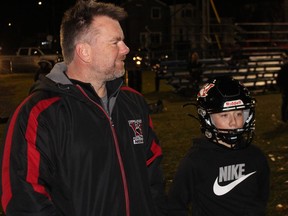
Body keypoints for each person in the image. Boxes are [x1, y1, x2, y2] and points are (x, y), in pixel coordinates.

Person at [0, 1, 166, 216]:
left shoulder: (133, 103)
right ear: (84, 52)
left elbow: (153, 175)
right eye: (115, 42)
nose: (126, 48)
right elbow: (23, 199)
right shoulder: (39, 113)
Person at [167, 76, 270, 216]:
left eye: (239, 114)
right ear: (207, 118)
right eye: (224, 115)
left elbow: (261, 199)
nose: (233, 122)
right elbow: (175, 205)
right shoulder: (196, 161)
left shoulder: (256, 157)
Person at [276, 53, 288, 122]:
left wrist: (280, 87)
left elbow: (278, 80)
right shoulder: (283, 69)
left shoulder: (283, 69)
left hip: (285, 88)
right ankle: (285, 117)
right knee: (285, 103)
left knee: (285, 103)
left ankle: (284, 118)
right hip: (285, 88)